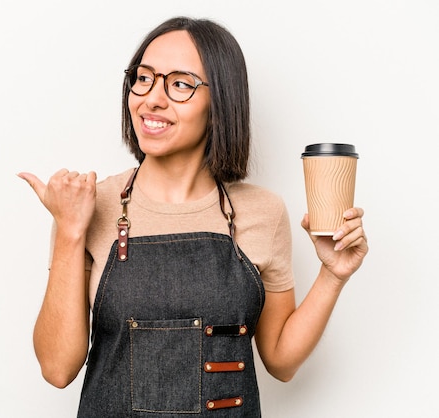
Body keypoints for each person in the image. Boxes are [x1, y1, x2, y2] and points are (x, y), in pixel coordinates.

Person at [18, 16, 368, 417]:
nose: (151, 98)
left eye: (180, 84)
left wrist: (333, 274)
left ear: (220, 101)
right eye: (143, 78)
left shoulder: (263, 212)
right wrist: (69, 229)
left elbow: (281, 362)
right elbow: (57, 368)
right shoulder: (85, 203)